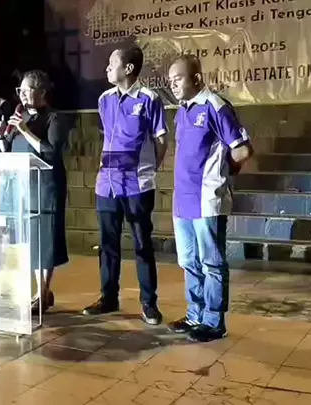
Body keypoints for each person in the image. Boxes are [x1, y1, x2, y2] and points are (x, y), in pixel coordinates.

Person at [166, 54, 253, 342]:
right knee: (189, 261)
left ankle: (214, 323)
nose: (173, 85)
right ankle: (195, 315)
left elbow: (242, 150)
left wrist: (222, 176)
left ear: (196, 78)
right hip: (182, 201)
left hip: (206, 200)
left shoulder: (215, 106)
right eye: (170, 80)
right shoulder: (182, 110)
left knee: (211, 263)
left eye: (178, 79)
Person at [82, 46, 168, 325]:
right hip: (106, 184)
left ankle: (149, 303)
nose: (107, 68)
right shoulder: (104, 99)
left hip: (137, 185)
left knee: (142, 243)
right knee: (108, 243)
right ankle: (108, 297)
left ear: (128, 68)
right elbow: (108, 136)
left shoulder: (149, 99)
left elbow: (161, 140)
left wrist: (149, 169)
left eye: (112, 63)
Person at [0, 70, 69, 313]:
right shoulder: (20, 116)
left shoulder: (55, 118)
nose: (22, 95)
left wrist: (25, 130)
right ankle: (41, 292)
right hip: (21, 187)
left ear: (42, 91)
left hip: (45, 186)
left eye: (27, 90)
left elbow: (50, 152)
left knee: (45, 239)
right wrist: (1, 136)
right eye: (20, 90)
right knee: (31, 240)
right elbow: (7, 150)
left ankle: (43, 292)